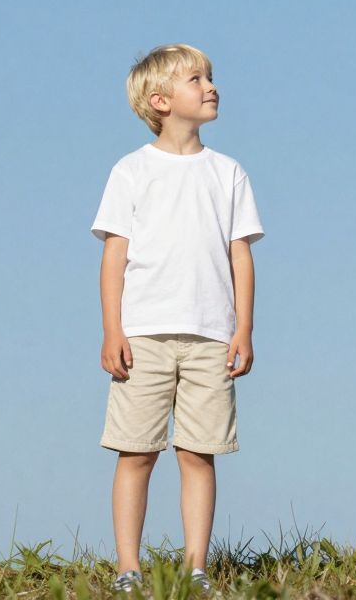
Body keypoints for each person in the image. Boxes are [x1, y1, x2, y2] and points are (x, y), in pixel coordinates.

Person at [92, 44, 262, 593]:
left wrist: (243, 329)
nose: (211, 86)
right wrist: (112, 330)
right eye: (197, 79)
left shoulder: (228, 172)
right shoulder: (131, 170)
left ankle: (195, 569)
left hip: (212, 335)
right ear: (160, 100)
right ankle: (128, 568)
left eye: (211, 77)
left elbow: (241, 254)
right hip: (143, 335)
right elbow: (114, 254)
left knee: (198, 452)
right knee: (136, 451)